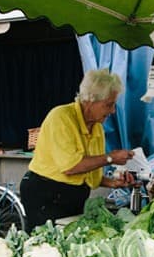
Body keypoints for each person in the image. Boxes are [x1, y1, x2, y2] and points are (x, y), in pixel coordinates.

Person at [19, 69, 134, 231]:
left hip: (72, 197)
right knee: (45, 244)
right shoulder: (61, 117)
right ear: (90, 100)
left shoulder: (97, 128)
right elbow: (71, 166)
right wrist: (110, 158)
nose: (113, 111)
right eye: (109, 104)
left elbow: (88, 172)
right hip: (46, 194)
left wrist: (112, 182)